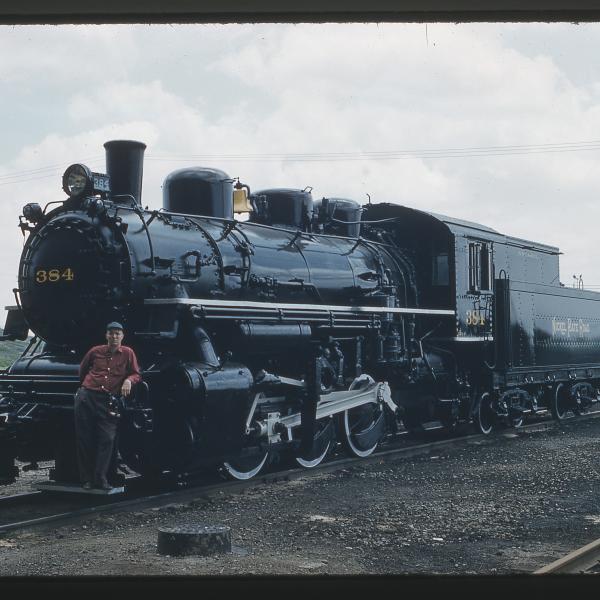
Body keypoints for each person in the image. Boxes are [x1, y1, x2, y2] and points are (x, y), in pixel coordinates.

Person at [74, 322, 141, 490]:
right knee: (85, 438)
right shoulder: (95, 351)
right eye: (111, 333)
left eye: (117, 334)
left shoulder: (128, 353)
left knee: (107, 438)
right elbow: (82, 371)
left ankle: (100, 478)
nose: (114, 336)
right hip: (87, 397)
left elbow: (136, 373)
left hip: (109, 401)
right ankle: (86, 479)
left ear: (122, 336)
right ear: (106, 335)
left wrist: (128, 381)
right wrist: (85, 389)